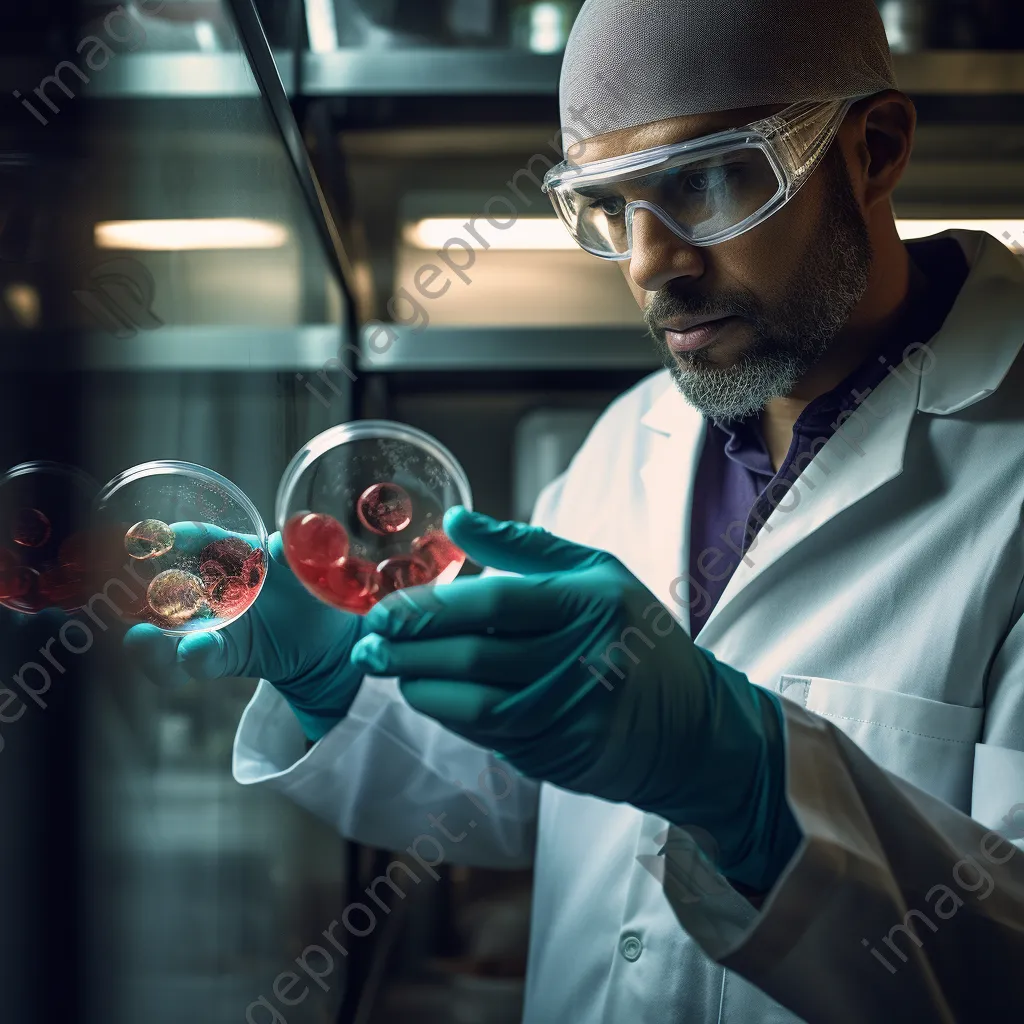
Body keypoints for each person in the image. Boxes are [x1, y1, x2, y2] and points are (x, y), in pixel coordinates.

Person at [127, 0, 1024, 1019]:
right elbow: (518, 803)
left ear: (875, 149)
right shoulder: (624, 442)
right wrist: (336, 671)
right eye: (608, 205)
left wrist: (747, 781)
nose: (650, 264)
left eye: (707, 179)